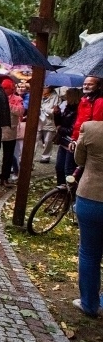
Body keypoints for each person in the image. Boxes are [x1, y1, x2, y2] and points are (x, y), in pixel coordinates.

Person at [73, 120, 103, 318]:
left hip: (92, 195)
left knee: (89, 253)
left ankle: (89, 304)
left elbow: (79, 160)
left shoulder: (91, 128)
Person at [54, 88, 81, 186]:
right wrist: (57, 114)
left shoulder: (78, 110)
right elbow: (59, 123)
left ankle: (70, 190)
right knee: (59, 166)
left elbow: (72, 129)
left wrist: (60, 129)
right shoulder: (67, 107)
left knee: (68, 169)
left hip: (71, 141)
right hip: (64, 141)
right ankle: (60, 187)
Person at [70, 76, 103, 146]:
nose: (86, 86)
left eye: (90, 84)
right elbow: (78, 121)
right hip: (80, 138)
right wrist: (74, 138)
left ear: (99, 86)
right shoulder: (84, 100)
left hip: (89, 141)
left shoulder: (99, 101)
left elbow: (96, 124)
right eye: (84, 84)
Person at [37, 86, 59, 163]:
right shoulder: (38, 94)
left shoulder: (55, 96)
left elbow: (55, 110)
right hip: (38, 120)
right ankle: (30, 159)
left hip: (49, 121)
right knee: (35, 140)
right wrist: (49, 110)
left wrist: (45, 109)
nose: (43, 89)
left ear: (50, 88)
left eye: (45, 87)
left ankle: (46, 157)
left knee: (48, 140)